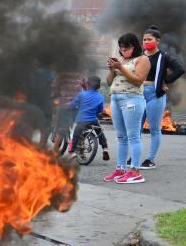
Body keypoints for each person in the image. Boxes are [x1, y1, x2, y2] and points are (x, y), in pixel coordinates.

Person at [103, 33, 151, 185]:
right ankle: (121, 168)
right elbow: (109, 81)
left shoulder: (142, 59)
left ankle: (136, 171)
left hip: (132, 99)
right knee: (121, 137)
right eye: (121, 48)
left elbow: (138, 80)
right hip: (116, 99)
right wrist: (112, 69)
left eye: (127, 47)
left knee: (133, 137)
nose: (123, 50)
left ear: (134, 46)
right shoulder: (122, 60)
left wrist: (121, 68)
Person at [139, 26, 185, 168]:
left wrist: (166, 81)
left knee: (154, 129)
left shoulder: (163, 57)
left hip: (154, 94)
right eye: (144, 39)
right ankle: (134, 157)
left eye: (149, 39)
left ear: (157, 41)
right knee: (135, 128)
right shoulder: (140, 56)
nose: (146, 42)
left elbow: (180, 69)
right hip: (139, 94)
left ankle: (150, 159)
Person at [67, 76, 109, 160]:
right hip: (93, 120)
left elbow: (72, 105)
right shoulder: (100, 96)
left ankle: (72, 152)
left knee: (75, 134)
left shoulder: (82, 94)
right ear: (99, 86)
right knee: (99, 132)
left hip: (81, 121)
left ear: (87, 84)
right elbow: (100, 109)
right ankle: (105, 148)